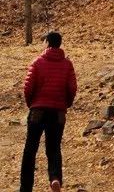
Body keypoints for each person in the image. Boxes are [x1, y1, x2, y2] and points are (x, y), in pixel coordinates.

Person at [19, 31, 77, 192]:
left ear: (47, 43)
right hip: (58, 112)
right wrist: (66, 104)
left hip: (38, 110)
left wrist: (32, 104)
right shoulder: (67, 64)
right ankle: (55, 178)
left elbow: (28, 87)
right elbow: (72, 88)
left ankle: (25, 187)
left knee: (30, 149)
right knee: (54, 148)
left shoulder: (37, 62)